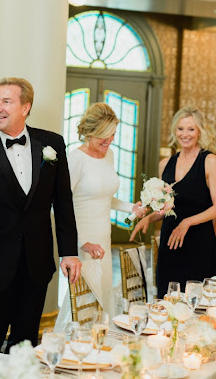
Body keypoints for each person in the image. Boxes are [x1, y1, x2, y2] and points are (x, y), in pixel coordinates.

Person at [0, 77, 82, 352]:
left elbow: (63, 202)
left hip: (36, 264)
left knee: (26, 344)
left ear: (25, 107)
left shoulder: (52, 144)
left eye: (6, 101)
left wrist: (69, 251)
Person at [56, 103, 145, 324]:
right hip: (82, 242)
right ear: (89, 133)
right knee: (83, 300)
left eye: (112, 135)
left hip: (104, 239)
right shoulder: (76, 159)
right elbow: (60, 204)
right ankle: (71, 346)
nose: (108, 142)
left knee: (102, 295)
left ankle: (98, 346)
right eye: (102, 138)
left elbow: (105, 197)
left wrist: (130, 207)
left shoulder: (110, 155)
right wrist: (80, 243)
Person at [131, 106, 216, 297]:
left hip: (199, 243)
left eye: (191, 129)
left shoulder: (209, 161)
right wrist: (149, 218)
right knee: (167, 298)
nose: (185, 134)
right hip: (170, 243)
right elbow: (167, 207)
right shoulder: (165, 164)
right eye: (181, 128)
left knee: (196, 301)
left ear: (199, 131)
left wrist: (187, 222)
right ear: (175, 130)